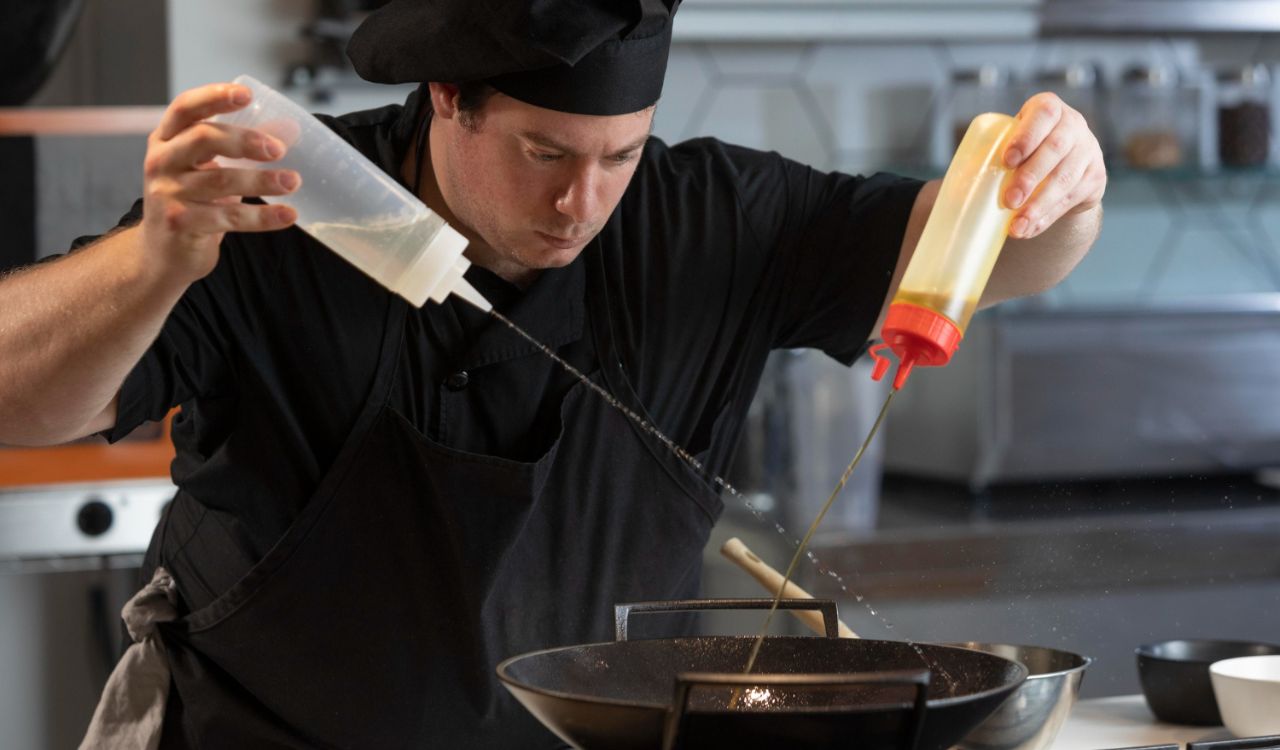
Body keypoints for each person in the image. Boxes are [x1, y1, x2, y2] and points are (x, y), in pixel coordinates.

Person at [0, 0, 1105, 747]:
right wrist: (153, 259)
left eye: (617, 157)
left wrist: (1059, 187)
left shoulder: (710, 221)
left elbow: (1000, 250)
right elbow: (24, 401)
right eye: (543, 155)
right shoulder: (284, 205)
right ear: (447, 96)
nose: (581, 203)